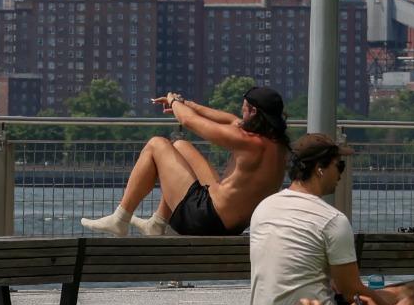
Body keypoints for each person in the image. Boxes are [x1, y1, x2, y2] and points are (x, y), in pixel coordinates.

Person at [80, 85, 290, 237]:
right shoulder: (277, 145)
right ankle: (157, 223)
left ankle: (120, 219)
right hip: (231, 224)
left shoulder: (248, 142)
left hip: (205, 219)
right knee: (180, 147)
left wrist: (173, 102)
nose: (240, 114)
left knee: (157, 144)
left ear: (253, 112)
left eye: (244, 108)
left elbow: (188, 121)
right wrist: (186, 104)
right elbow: (228, 118)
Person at [249, 133, 414, 305]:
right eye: (338, 166)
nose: (341, 173)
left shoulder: (262, 208)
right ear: (320, 168)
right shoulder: (331, 220)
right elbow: (352, 293)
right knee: (404, 296)